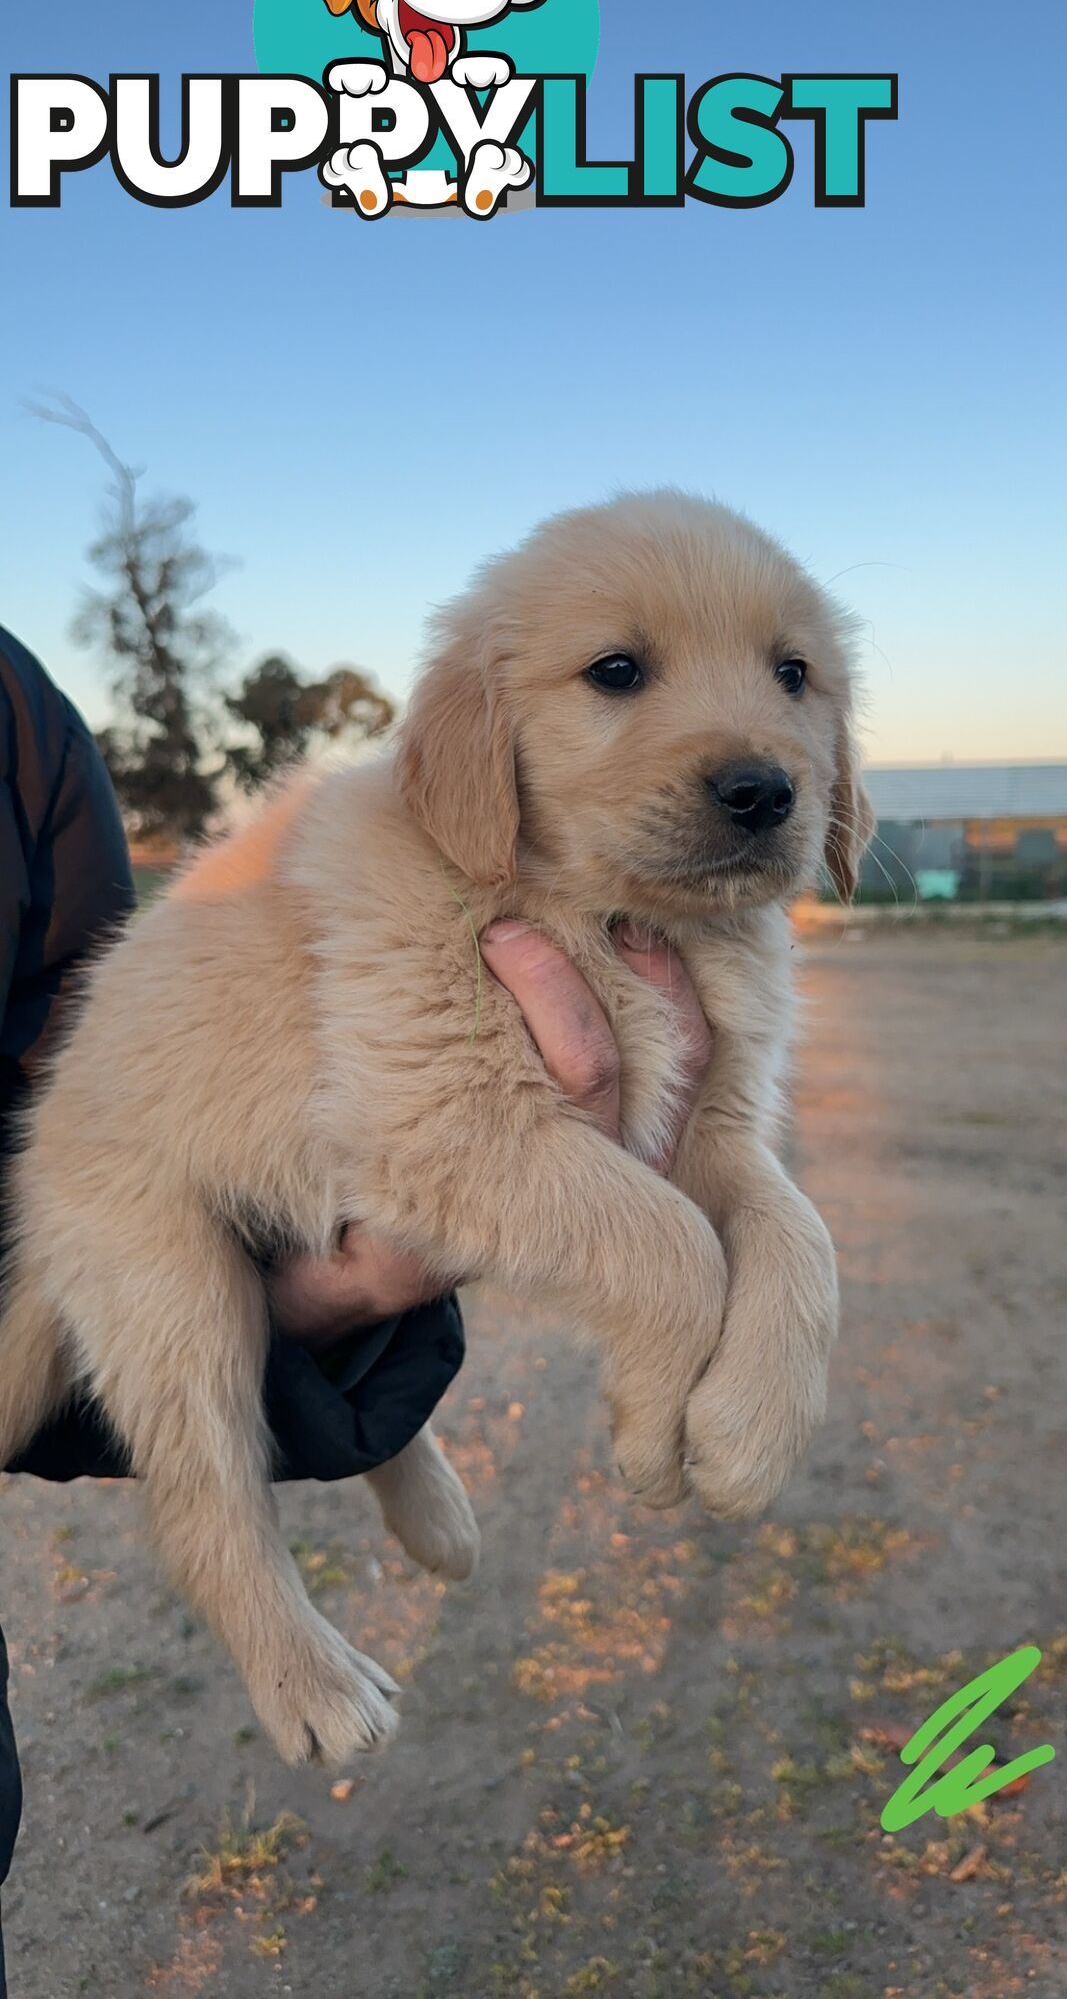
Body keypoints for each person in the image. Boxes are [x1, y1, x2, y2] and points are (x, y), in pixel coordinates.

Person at [0, 625, 710, 1995]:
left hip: (185, 1138)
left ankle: (393, 1440)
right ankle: (275, 1637)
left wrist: (366, 1312)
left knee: (354, 1187)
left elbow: (66, 1032)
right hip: (124, 1184)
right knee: (188, 1377)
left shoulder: (10, 710)